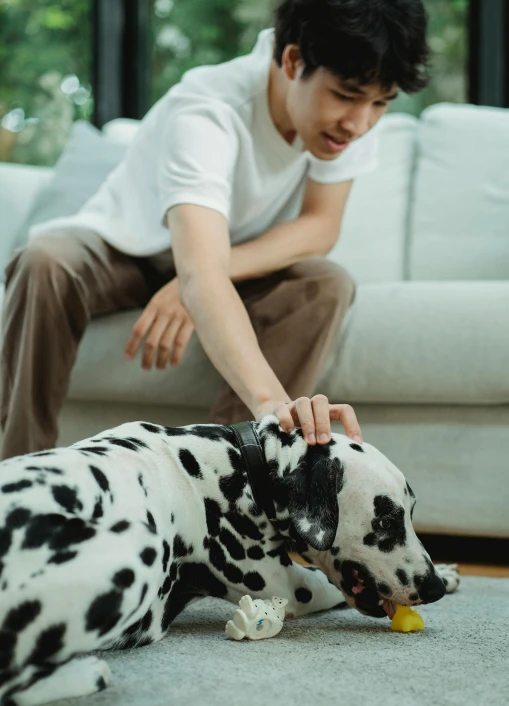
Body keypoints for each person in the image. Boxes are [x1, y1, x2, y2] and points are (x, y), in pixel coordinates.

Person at [0, 0, 430, 460]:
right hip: (127, 250)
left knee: (326, 283)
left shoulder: (349, 120)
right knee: (46, 259)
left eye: (380, 103)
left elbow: (319, 226)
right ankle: (18, 473)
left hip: (217, 255)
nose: (360, 122)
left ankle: (228, 481)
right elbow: (200, 273)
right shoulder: (207, 107)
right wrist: (270, 401)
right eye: (346, 96)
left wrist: (206, 276)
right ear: (292, 60)